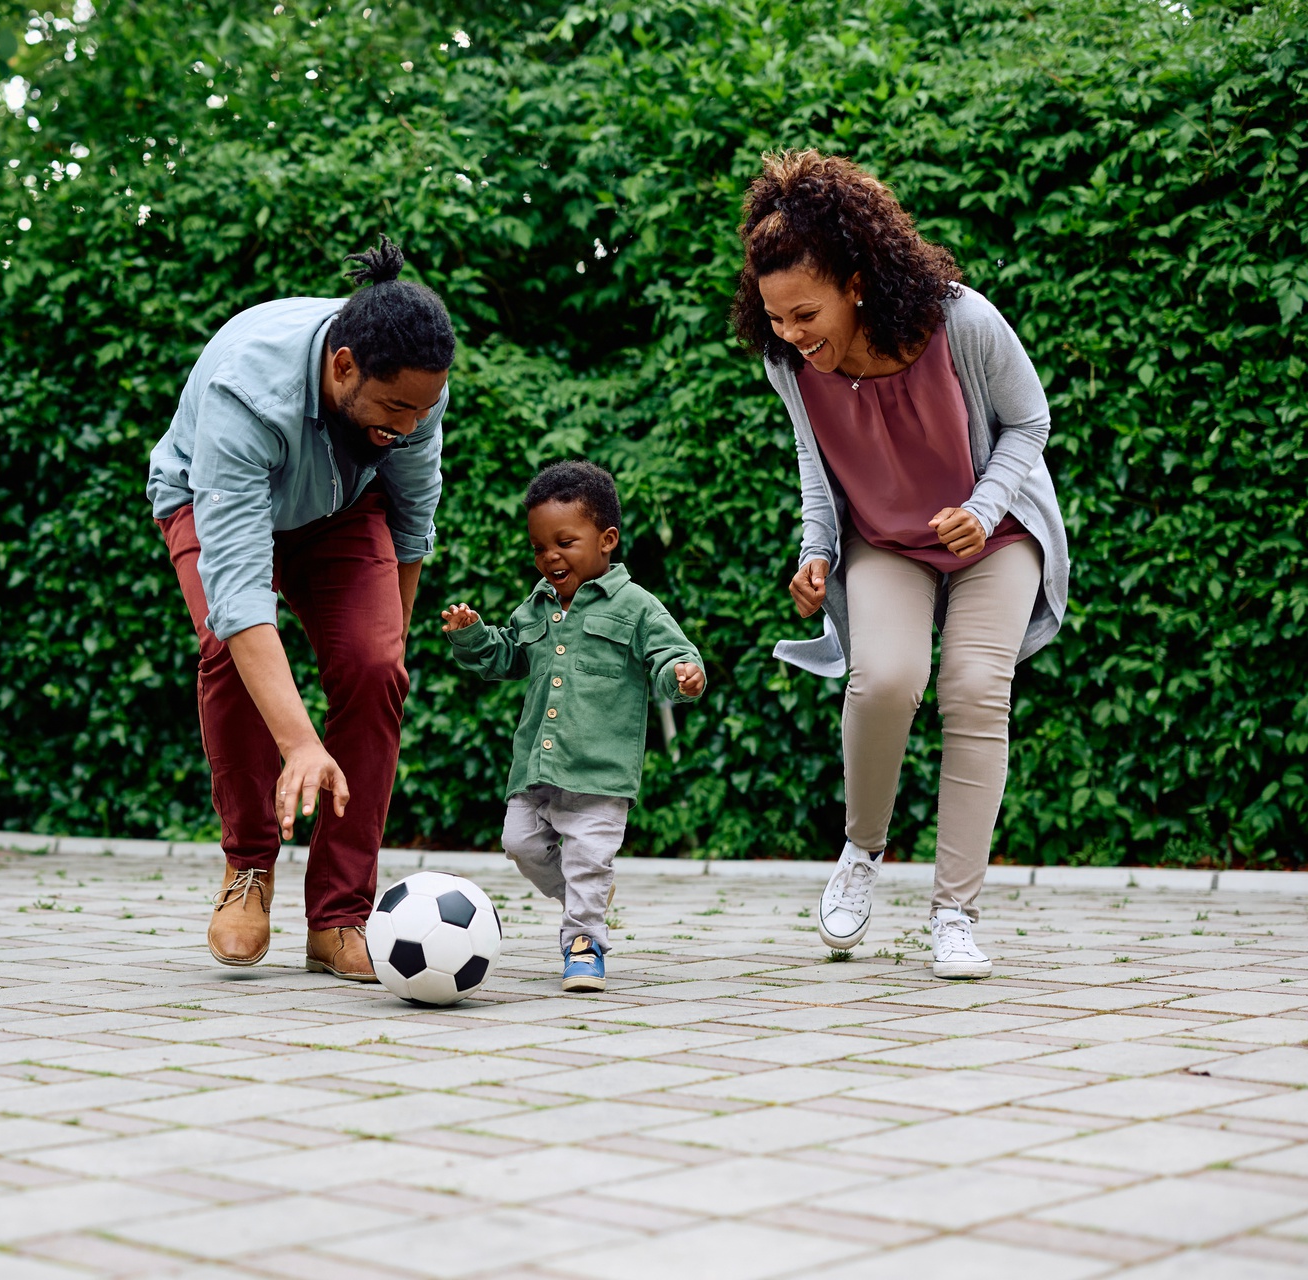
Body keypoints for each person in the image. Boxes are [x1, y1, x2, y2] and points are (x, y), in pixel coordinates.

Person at [733, 150, 1071, 979]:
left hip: (995, 534)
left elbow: (1030, 424)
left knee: (973, 688)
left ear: (855, 281)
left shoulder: (961, 321)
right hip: (885, 538)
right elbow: (819, 468)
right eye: (775, 318)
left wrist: (983, 509)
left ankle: (953, 912)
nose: (791, 335)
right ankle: (860, 852)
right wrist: (816, 552)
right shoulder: (790, 366)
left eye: (804, 313)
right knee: (884, 678)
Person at [149, 235, 455, 981]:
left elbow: (412, 524)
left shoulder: (413, 390)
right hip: (209, 499)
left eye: (423, 409)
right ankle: (249, 868)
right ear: (342, 366)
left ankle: (340, 915)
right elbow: (241, 596)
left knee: (378, 666)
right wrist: (301, 743)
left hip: (342, 512)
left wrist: (383, 653)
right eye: (394, 409)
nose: (409, 426)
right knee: (229, 646)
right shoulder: (247, 394)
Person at [440, 461, 705, 992]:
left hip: (600, 774)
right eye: (539, 547)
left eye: (564, 542)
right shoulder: (536, 604)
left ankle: (584, 945)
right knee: (517, 842)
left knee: (588, 858)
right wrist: (472, 636)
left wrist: (683, 675)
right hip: (536, 765)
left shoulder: (636, 606)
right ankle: (584, 894)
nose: (549, 557)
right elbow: (506, 655)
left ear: (606, 539)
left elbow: (671, 654)